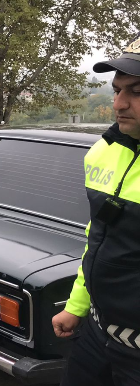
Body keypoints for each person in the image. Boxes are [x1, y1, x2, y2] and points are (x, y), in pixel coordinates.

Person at [52, 34, 140, 386]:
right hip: (97, 335)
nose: (118, 104)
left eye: (136, 91)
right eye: (117, 90)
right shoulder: (104, 151)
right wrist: (77, 305)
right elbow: (98, 237)